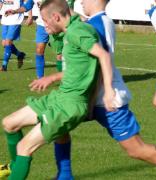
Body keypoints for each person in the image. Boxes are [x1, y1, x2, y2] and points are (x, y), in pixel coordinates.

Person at [28, 0, 156, 178]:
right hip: (93, 97)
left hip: (108, 100)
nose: (82, 1)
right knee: (59, 124)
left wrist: (97, 97)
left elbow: (101, 62)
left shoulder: (100, 23)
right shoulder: (95, 21)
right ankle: (64, 175)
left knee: (137, 150)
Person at [0, 0, 116, 179]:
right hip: (59, 98)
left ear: (55, 17)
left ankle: (18, 172)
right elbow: (79, 68)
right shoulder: (70, 29)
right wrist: (52, 77)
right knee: (9, 123)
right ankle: (15, 170)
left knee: (24, 147)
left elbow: (103, 55)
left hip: (69, 105)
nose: (44, 25)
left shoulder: (78, 31)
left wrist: (108, 91)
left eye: (45, 21)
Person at [5, 0, 50, 78]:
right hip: (42, 25)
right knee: (39, 50)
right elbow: (27, 6)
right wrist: (15, 11)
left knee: (59, 54)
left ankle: (67, 79)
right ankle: (40, 78)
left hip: (57, 25)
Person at [0, 0, 28, 71]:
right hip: (5, 19)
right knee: (4, 44)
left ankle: (4, 65)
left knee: (8, 42)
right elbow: (1, 3)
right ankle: (20, 54)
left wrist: (30, 16)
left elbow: (28, 3)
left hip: (16, 20)